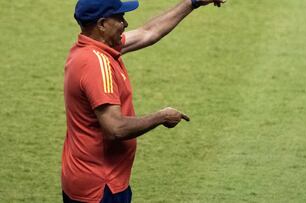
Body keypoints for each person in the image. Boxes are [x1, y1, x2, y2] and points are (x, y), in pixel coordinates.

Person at [62, 0, 225, 202]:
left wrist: (193, 3)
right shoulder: (96, 65)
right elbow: (115, 128)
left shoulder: (88, 48)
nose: (125, 24)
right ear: (102, 24)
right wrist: (161, 116)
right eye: (120, 18)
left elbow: (149, 32)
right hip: (101, 187)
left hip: (84, 178)